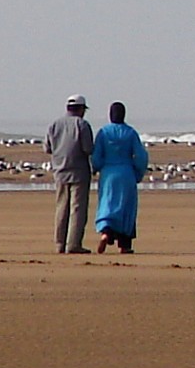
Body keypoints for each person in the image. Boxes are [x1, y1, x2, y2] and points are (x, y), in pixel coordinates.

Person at [91, 101, 150, 253]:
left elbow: (96, 155)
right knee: (126, 208)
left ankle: (106, 232)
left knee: (107, 204)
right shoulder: (130, 132)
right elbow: (141, 155)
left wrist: (96, 167)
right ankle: (125, 245)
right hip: (126, 172)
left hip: (108, 173)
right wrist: (138, 172)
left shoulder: (103, 132)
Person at [45, 95, 94, 254]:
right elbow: (88, 148)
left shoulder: (54, 125)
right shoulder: (82, 124)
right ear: (81, 109)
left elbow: (47, 148)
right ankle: (73, 244)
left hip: (59, 172)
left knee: (61, 208)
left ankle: (59, 244)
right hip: (79, 172)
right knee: (77, 209)